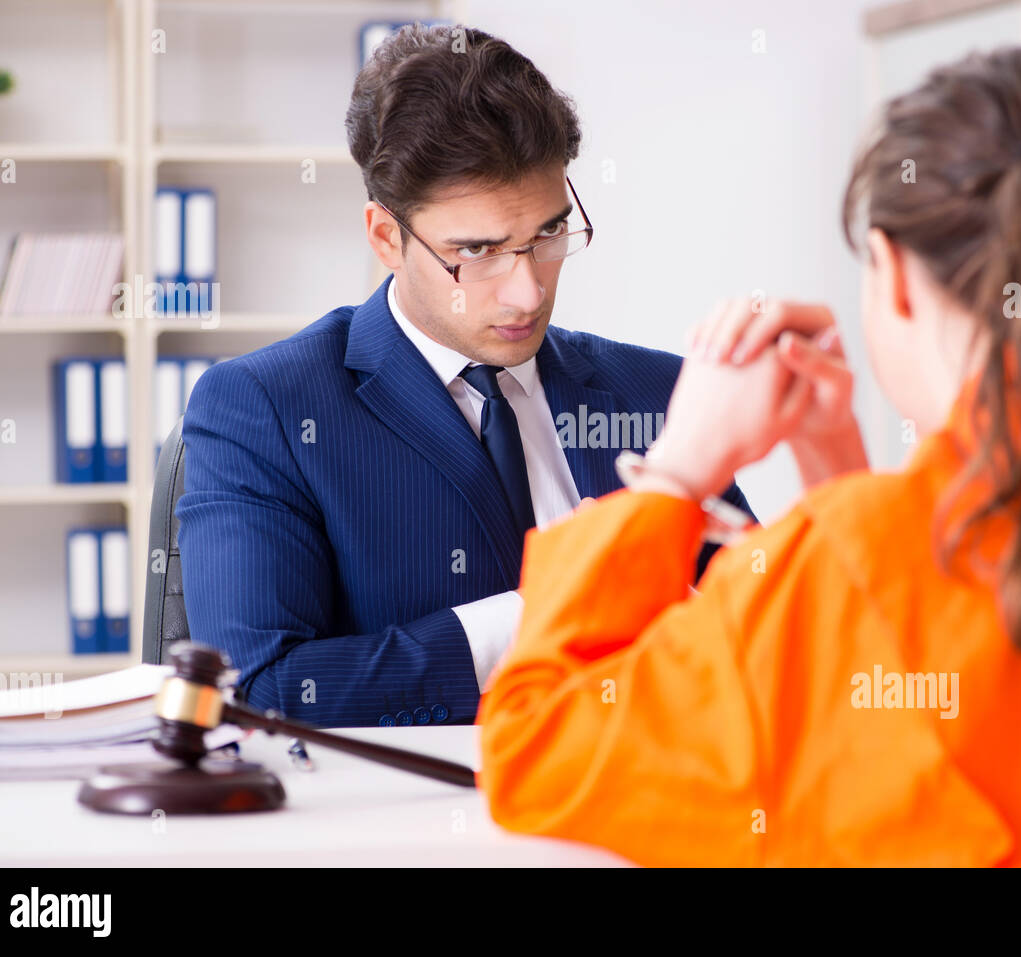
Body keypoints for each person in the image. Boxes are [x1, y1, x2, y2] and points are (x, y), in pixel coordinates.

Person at [475, 46, 1021, 865]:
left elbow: (535, 746)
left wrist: (674, 473)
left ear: (893, 274)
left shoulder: (838, 568)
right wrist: (840, 475)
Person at [176, 24, 753, 728]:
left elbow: (766, 650)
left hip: (650, 816)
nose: (527, 292)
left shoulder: (659, 394)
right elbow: (260, 688)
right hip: (416, 826)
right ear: (387, 237)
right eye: (476, 251)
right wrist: (549, 609)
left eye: (547, 234)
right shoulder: (265, 408)